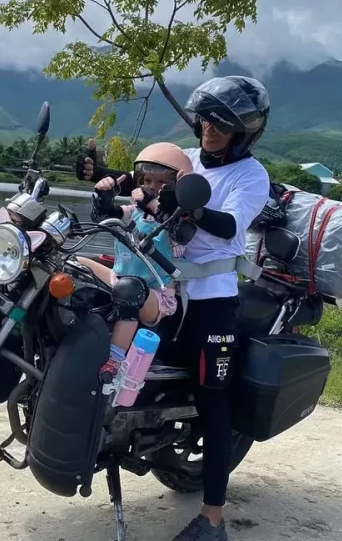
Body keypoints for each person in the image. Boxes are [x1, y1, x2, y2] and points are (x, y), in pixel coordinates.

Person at [79, 75, 271, 541]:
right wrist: (106, 182)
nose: (210, 130)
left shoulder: (250, 175)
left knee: (213, 401)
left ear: (244, 132)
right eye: (207, 120)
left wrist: (190, 208)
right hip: (161, 289)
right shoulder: (185, 161)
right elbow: (141, 180)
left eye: (222, 125)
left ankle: (212, 517)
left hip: (209, 302)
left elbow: (230, 226)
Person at [79, 143, 189, 382]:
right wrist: (104, 200)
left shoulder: (181, 220)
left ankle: (114, 361)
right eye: (147, 181)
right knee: (76, 263)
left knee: (129, 288)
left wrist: (152, 203)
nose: (152, 187)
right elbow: (109, 216)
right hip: (119, 279)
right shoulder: (136, 211)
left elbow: (177, 232)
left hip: (157, 296)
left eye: (161, 183)